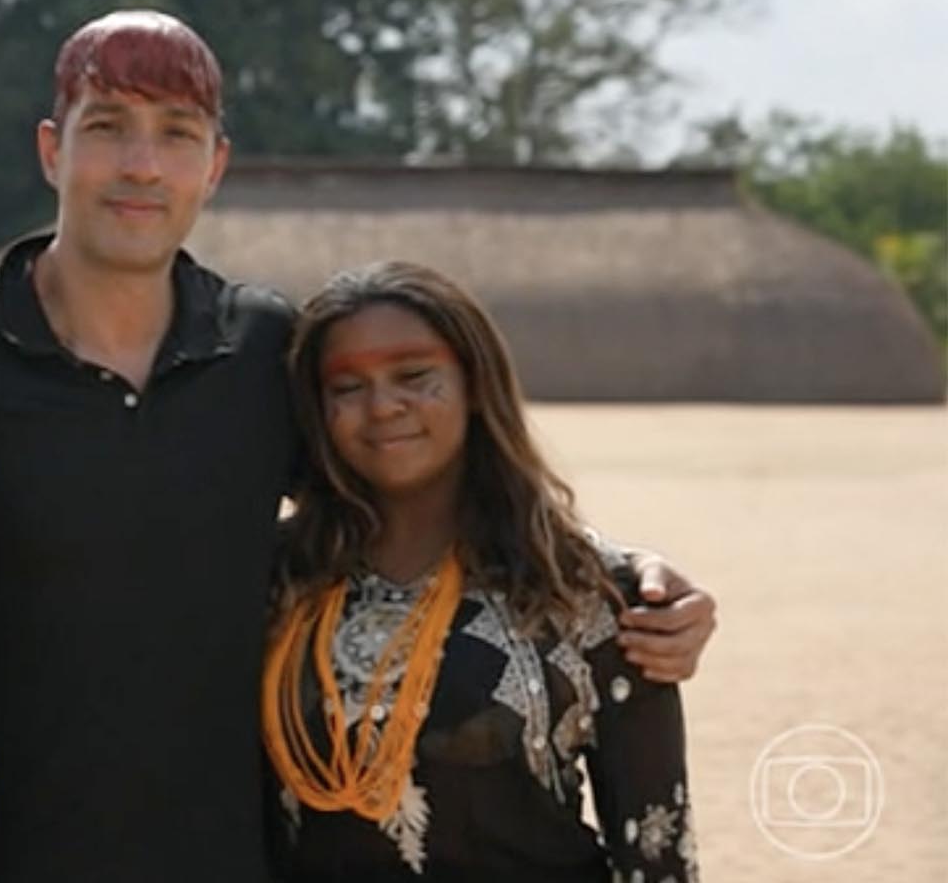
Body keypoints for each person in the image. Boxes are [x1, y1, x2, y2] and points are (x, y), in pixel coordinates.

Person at [0, 11, 719, 881]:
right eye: (109, 128)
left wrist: (628, 578)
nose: (142, 164)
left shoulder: (268, 353)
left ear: (214, 165)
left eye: (175, 135)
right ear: (53, 148)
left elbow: (417, 494)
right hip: (2, 860)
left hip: (233, 863)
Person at [264, 262, 696, 881]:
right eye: (347, 387)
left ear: (474, 385)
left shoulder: (590, 593)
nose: (383, 405)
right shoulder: (273, 582)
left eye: (414, 376)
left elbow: (656, 846)